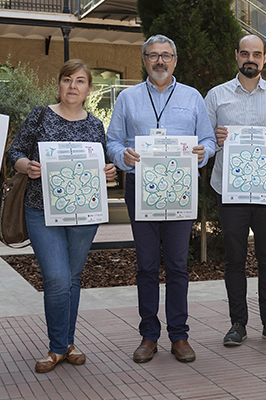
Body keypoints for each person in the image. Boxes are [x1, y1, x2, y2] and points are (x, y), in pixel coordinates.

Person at [106, 34, 216, 363]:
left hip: (180, 189)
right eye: (153, 55)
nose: (159, 61)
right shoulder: (127, 98)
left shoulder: (192, 97)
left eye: (166, 55)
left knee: (179, 265)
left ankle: (179, 336)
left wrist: (202, 152)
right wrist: (122, 154)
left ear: (175, 60)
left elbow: (209, 140)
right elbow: (112, 140)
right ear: (144, 60)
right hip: (141, 190)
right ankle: (148, 336)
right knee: (147, 265)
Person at [6, 59, 117, 374]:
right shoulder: (40, 115)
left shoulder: (95, 124)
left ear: (88, 89)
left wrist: (109, 170)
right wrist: (26, 165)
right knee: (56, 277)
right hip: (41, 209)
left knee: (72, 278)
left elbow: (104, 164)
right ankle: (57, 348)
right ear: (59, 84)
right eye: (68, 80)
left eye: (80, 81)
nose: (73, 86)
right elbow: (15, 152)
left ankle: (67, 344)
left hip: (84, 212)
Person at [204, 34, 266, 347]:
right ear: (236, 56)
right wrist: (213, 138)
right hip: (230, 191)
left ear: (265, 58)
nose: (251, 59)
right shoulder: (216, 96)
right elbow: (204, 144)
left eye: (257, 54)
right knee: (234, 260)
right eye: (245, 53)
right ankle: (237, 324)